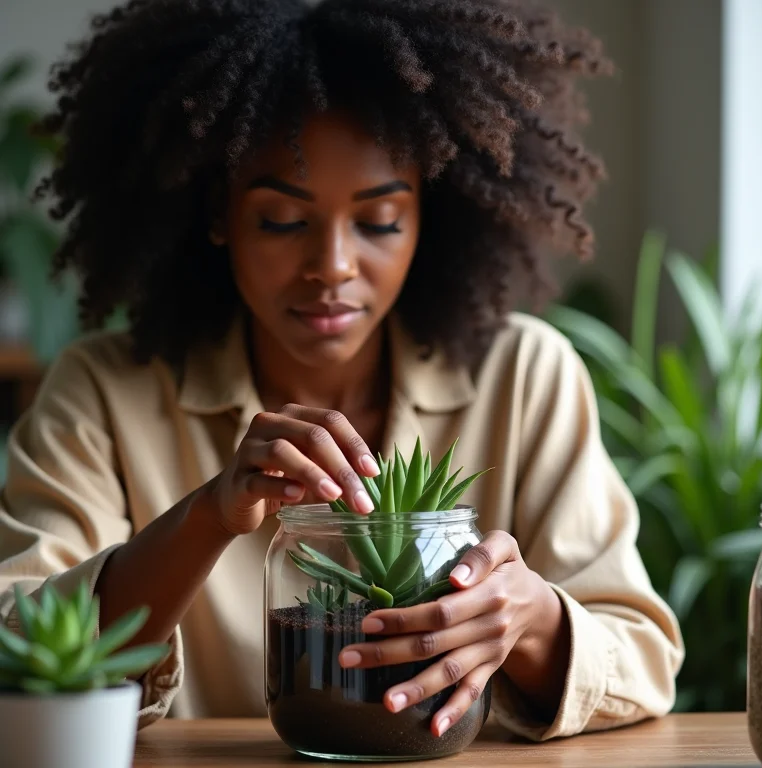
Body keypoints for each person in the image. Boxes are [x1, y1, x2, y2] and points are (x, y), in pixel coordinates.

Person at [0, 0, 683, 742]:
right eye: (282, 221)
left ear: (430, 215)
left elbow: (643, 658)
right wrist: (204, 520)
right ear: (218, 216)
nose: (332, 266)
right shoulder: (101, 391)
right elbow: (20, 645)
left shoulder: (524, 375)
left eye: (379, 220)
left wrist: (531, 619)